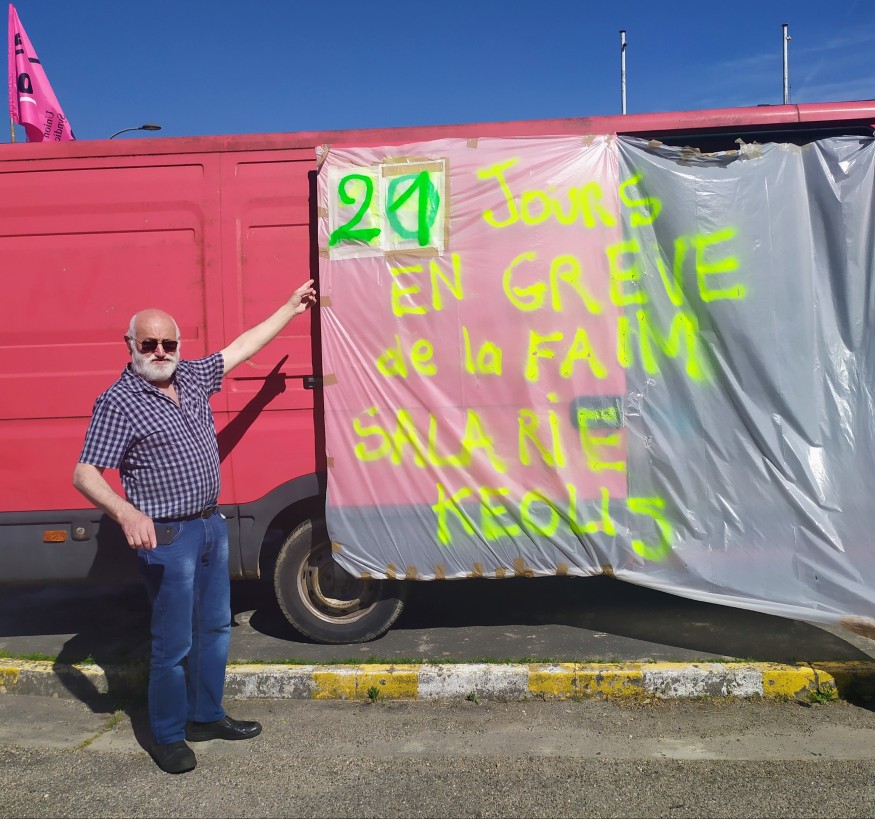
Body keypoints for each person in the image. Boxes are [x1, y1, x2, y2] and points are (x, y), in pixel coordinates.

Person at [72, 279, 317, 774]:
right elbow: (84, 472)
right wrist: (126, 512)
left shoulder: (192, 375)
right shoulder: (118, 402)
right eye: (149, 343)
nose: (160, 352)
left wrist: (289, 308)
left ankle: (205, 716)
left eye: (168, 343)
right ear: (131, 346)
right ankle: (165, 735)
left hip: (209, 527)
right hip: (166, 539)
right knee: (173, 642)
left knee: (213, 630)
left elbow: (242, 347)